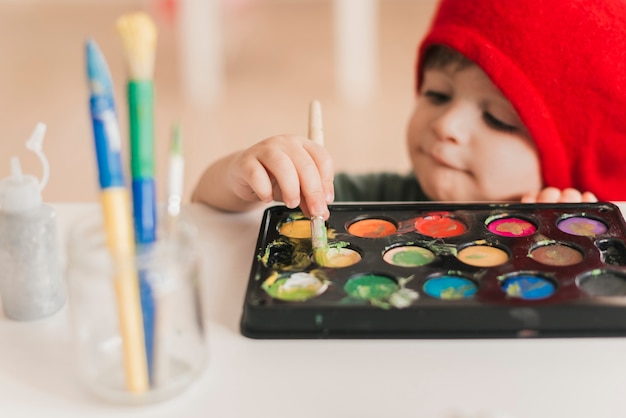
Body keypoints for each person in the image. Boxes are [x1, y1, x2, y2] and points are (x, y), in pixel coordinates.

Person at [193, 0, 626, 220]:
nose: (447, 124)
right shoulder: (377, 201)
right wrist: (241, 175)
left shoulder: (572, 229)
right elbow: (210, 212)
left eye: (497, 119)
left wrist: (577, 242)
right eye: (437, 93)